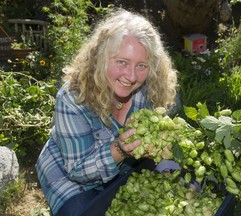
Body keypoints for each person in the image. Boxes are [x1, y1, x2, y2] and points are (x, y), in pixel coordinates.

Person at [35, 8, 178, 216]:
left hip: (122, 167)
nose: (131, 76)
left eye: (142, 65)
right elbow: (77, 170)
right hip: (70, 170)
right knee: (80, 211)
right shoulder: (73, 98)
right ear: (101, 58)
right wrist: (121, 149)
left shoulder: (149, 88)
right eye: (122, 62)